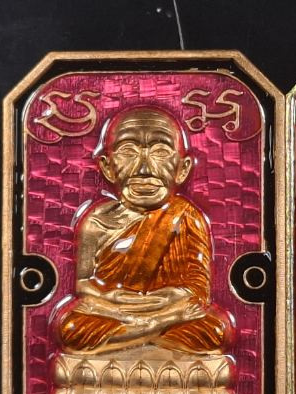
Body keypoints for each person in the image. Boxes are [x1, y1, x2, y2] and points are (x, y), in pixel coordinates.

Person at [55, 106, 233, 354]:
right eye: (128, 151)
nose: (144, 168)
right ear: (107, 167)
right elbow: (83, 285)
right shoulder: (96, 221)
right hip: (116, 311)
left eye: (160, 151)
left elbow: (198, 291)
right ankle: (150, 331)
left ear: (183, 168)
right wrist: (113, 300)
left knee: (214, 330)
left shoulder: (185, 216)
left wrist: (171, 299)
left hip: (169, 311)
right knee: (72, 328)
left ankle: (138, 334)